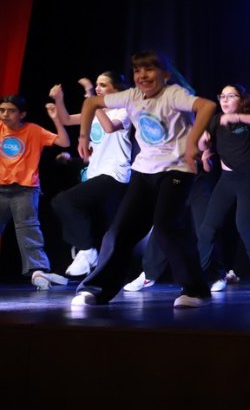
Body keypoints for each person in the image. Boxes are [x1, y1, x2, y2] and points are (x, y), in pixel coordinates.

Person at [71, 50, 217, 308]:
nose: (142, 75)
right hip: (144, 171)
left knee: (166, 226)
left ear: (165, 74)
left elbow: (207, 106)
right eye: (137, 70)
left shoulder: (173, 94)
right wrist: (83, 137)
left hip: (177, 170)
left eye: (149, 69)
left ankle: (196, 291)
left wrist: (192, 141)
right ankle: (97, 289)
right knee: (120, 231)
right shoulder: (131, 96)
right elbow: (91, 103)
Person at [196, 84, 250, 294]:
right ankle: (210, 276)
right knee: (208, 227)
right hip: (227, 180)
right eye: (222, 96)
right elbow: (202, 146)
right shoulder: (216, 120)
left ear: (241, 99)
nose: (224, 100)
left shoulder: (249, 117)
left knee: (244, 225)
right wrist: (203, 142)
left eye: (230, 96)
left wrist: (237, 118)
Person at [49, 73, 133, 278]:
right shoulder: (95, 111)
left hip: (115, 173)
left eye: (103, 85)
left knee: (64, 201)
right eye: (96, 85)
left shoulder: (125, 111)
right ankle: (102, 268)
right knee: (98, 223)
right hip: (96, 173)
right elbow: (67, 119)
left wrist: (93, 103)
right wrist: (59, 99)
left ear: (116, 89)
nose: (98, 88)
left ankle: (86, 251)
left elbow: (109, 127)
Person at [0, 94, 71, 289]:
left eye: (11, 111)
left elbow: (64, 142)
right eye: (2, 110)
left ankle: (38, 270)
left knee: (28, 229)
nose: (5, 115)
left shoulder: (33, 130)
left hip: (25, 190)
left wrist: (56, 118)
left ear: (22, 114)